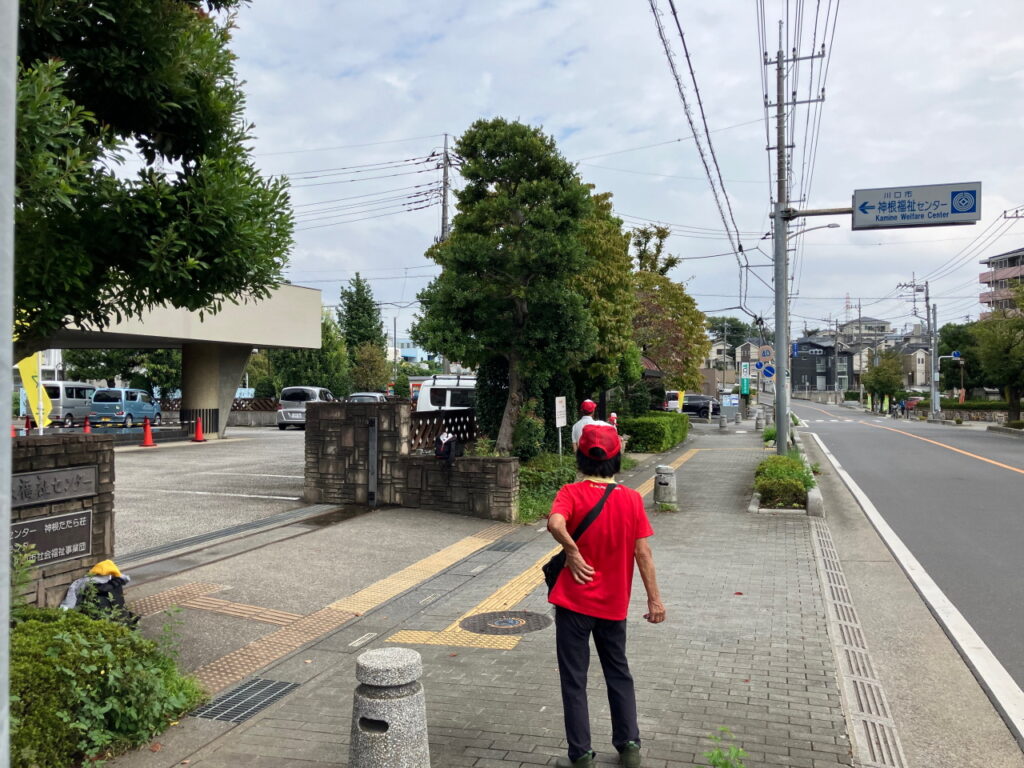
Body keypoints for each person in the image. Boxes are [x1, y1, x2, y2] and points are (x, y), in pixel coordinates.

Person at [547, 423, 666, 768]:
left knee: (574, 679)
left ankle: (581, 756)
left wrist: (571, 551)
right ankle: (629, 747)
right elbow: (643, 553)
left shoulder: (570, 492)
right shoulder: (631, 499)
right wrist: (655, 600)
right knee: (619, 673)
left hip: (574, 603)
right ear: (617, 457)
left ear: (580, 455)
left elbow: (555, 524)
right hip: (614, 605)